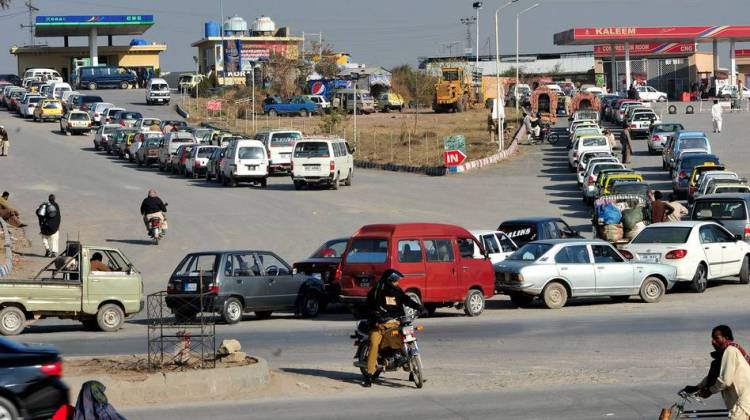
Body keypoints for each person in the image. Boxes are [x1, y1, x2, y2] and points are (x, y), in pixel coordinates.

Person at [362, 269, 422, 388]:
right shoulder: (377, 292)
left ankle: (411, 369)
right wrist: (378, 317)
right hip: (378, 325)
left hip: (395, 323)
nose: (398, 283)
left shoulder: (397, 291)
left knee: (405, 338)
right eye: (395, 281)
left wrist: (418, 307)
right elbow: (372, 308)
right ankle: (369, 375)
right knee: (374, 345)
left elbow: (406, 299)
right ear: (389, 281)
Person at [683, 325, 750, 420]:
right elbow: (714, 376)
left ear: (726, 338)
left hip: (744, 403)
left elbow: (725, 380)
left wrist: (709, 391)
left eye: (716, 338)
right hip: (741, 403)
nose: (713, 341)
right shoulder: (724, 354)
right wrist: (698, 387)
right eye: (712, 338)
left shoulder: (730, 351)